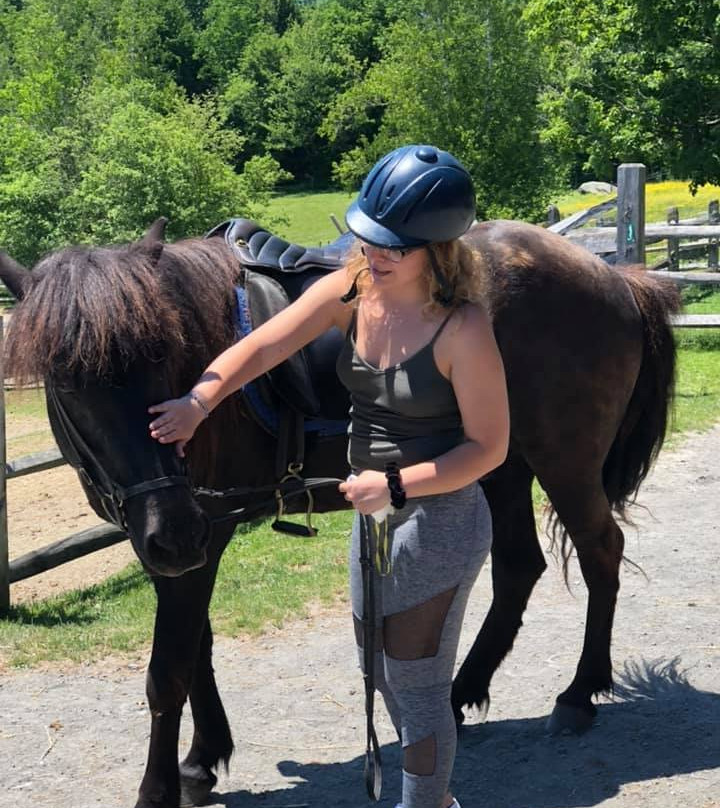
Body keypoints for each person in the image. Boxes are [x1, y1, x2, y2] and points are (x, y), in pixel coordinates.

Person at [148, 144, 510, 808]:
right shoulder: (351, 290)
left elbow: (489, 449)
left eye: (393, 245)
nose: (373, 252)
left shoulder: (462, 329)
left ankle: (424, 802)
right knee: (379, 669)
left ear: (438, 247)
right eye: (369, 236)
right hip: (374, 515)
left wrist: (395, 485)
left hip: (439, 517)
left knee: (417, 679)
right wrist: (199, 401)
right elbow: (263, 345)